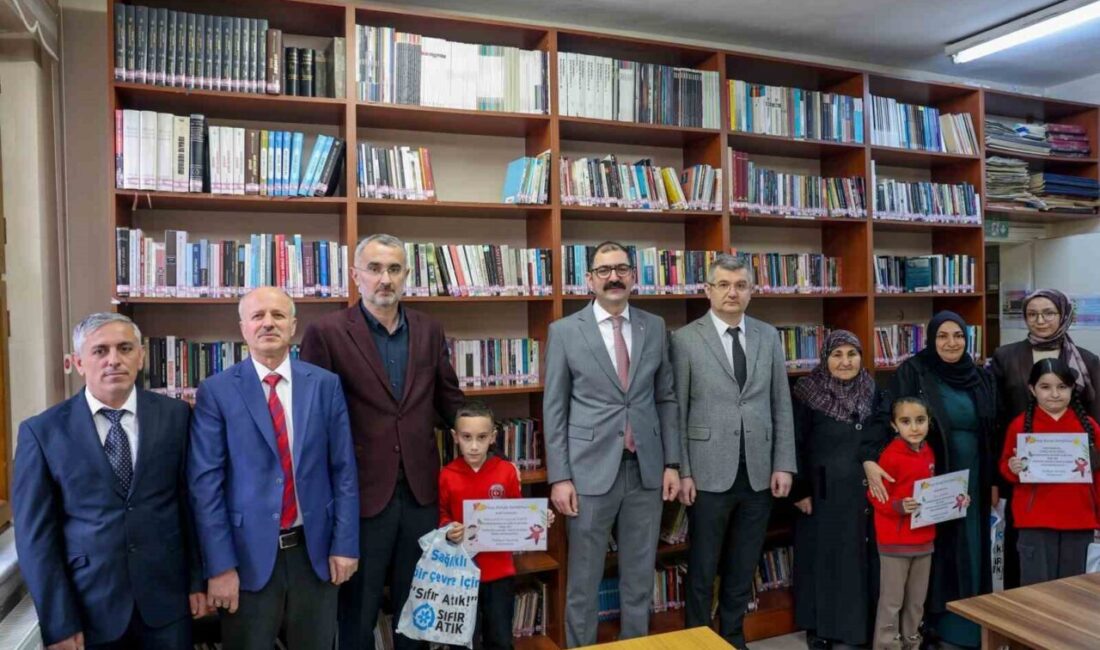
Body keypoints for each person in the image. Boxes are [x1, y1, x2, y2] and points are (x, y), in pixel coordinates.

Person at [300, 233, 466, 650]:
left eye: (394, 269)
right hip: (360, 496)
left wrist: (491, 454)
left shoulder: (429, 329)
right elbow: (312, 422)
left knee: (418, 604)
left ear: (406, 275)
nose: (385, 279)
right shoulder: (327, 333)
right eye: (374, 269)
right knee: (358, 609)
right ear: (356, 276)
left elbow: (450, 400)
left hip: (420, 492)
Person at [13, 312, 206, 650]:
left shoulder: (175, 416)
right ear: (78, 362)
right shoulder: (42, 433)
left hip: (167, 603)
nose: (114, 360)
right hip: (89, 610)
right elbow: (35, 538)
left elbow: (189, 505)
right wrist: (57, 622)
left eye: (125, 348)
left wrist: (196, 581)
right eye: (100, 351)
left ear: (141, 356)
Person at [189, 287, 360, 650]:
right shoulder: (217, 391)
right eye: (257, 316)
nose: (268, 322)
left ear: (293, 325)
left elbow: (343, 471)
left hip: (314, 554)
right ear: (243, 328)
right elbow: (206, 486)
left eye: (278, 315)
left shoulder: (325, 386)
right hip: (246, 558)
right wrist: (219, 567)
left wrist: (345, 544)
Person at [544, 240, 680, 648]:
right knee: (583, 579)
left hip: (646, 469)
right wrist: (560, 477)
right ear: (589, 280)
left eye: (621, 269)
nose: (614, 277)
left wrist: (672, 462)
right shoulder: (565, 331)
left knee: (639, 575)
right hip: (587, 472)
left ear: (633, 277)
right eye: (604, 270)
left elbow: (665, 398)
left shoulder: (654, 326)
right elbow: (554, 409)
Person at [671, 253, 795, 648]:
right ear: (708, 290)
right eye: (723, 284)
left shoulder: (767, 336)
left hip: (758, 472)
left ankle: (733, 637)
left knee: (743, 566)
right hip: (707, 473)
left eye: (740, 285)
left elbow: (781, 404)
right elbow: (678, 411)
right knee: (704, 566)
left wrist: (784, 464)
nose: (732, 292)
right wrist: (684, 470)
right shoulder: (686, 339)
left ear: (752, 291)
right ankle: (697, 639)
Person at [864, 311, 998, 649]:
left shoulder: (980, 376)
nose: (951, 343)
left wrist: (994, 479)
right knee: (938, 551)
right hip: (931, 476)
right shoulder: (914, 370)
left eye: (958, 335)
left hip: (974, 478)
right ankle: (938, 624)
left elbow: (991, 429)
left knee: (971, 547)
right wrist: (867, 457)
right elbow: (889, 415)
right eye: (942, 336)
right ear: (931, 339)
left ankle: (972, 621)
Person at [990, 288, 1100, 588]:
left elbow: (1095, 424)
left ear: (1063, 314)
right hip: (1027, 481)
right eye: (1032, 314)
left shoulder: (1087, 360)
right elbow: (996, 418)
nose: (1040, 320)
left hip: (1075, 493)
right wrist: (1002, 474)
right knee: (1029, 567)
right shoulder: (1006, 356)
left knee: (1074, 583)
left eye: (1048, 313)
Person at [790, 330, 886, 649]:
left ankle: (855, 627)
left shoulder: (872, 389)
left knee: (856, 560)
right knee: (823, 562)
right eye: (837, 355)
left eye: (852, 354)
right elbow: (796, 443)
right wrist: (800, 491)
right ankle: (821, 628)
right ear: (825, 358)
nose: (846, 362)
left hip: (862, 494)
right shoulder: (806, 392)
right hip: (820, 494)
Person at [439, 401, 555, 650]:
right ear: (454, 437)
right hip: (461, 573)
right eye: (466, 437)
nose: (473, 445)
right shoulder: (446, 475)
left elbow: (518, 512)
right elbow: (441, 515)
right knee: (464, 639)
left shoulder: (506, 472)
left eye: (481, 437)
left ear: (493, 437)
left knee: (500, 639)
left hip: (499, 572)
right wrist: (448, 529)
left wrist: (540, 518)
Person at [999, 358, 1100, 585]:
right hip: (1034, 522)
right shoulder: (1019, 425)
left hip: (1079, 521)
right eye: (1045, 387)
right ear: (1032, 389)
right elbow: (1005, 466)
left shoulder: (1089, 427)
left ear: (1072, 388)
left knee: (1075, 592)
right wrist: (1013, 468)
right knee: (1036, 591)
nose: (1054, 394)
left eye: (1062, 387)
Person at [870, 397, 937, 650]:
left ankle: (912, 643)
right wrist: (898, 506)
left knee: (916, 601)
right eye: (906, 421)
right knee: (892, 601)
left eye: (920, 420)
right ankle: (887, 645)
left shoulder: (929, 451)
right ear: (894, 425)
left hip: (924, 540)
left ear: (928, 422)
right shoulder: (890, 456)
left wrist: (955, 499)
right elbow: (875, 495)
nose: (915, 427)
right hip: (895, 542)